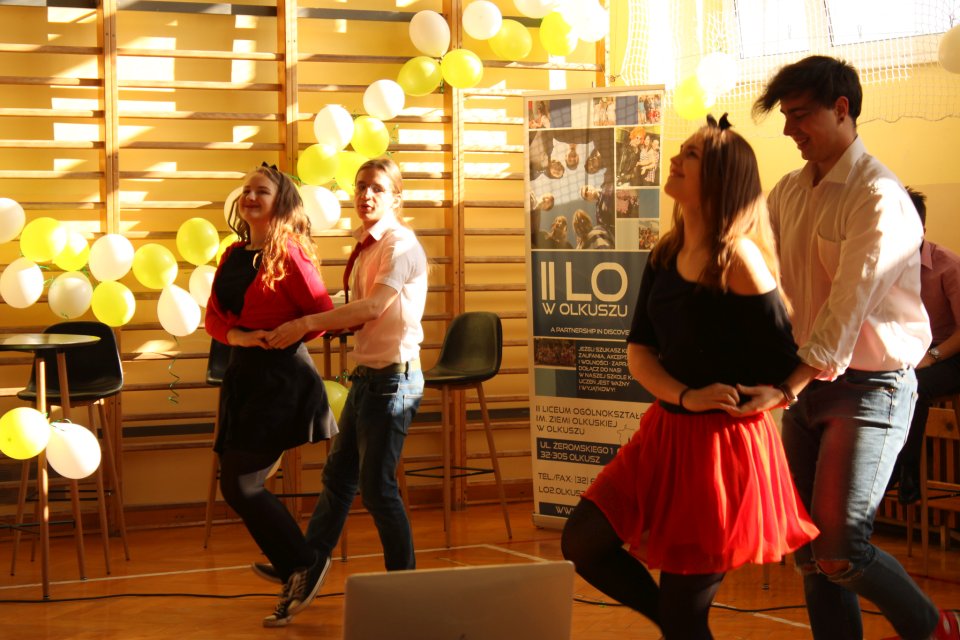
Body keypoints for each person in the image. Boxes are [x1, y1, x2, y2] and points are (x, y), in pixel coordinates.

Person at [561, 114, 818, 639]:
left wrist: (780, 393)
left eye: (692, 155)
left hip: (721, 454)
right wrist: (684, 396)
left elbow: (794, 356)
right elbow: (640, 351)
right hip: (665, 434)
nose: (675, 159)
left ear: (721, 180)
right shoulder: (665, 252)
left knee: (685, 615)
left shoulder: (739, 260)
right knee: (582, 542)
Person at [747, 56, 958, 639]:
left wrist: (786, 385)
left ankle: (937, 627)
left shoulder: (879, 195)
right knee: (810, 552)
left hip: (870, 389)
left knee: (841, 550)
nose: (789, 130)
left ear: (842, 109)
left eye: (799, 115)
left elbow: (849, 305)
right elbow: (764, 281)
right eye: (785, 116)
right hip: (806, 386)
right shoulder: (789, 191)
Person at [259, 157, 428, 579]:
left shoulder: (400, 245)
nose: (366, 195)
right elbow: (353, 305)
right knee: (337, 479)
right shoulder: (367, 245)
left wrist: (307, 322)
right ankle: (305, 568)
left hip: (394, 382)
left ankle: (405, 586)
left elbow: (373, 307)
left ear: (396, 197)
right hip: (368, 378)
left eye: (377, 188)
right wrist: (302, 313)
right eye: (360, 186)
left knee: (377, 489)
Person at [205, 163, 338, 627]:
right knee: (235, 484)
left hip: (282, 381)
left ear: (280, 202)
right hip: (244, 377)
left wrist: (289, 333)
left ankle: (302, 563)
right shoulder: (233, 254)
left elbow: (321, 314)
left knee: (242, 484)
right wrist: (238, 337)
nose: (250, 197)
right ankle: (293, 563)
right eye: (247, 190)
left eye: (261, 191)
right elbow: (213, 317)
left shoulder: (292, 254)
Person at [893, 187, 960, 505]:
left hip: (950, 351)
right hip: (914, 352)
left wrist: (932, 356)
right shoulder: (889, 266)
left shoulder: (949, 265)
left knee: (913, 385)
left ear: (922, 230)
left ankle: (907, 472)